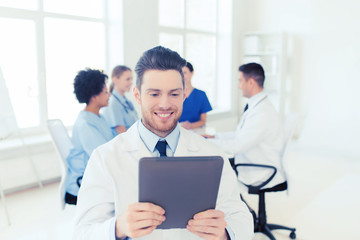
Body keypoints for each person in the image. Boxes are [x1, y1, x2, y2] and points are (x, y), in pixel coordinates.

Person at [73, 46, 254, 240]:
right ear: (137, 95)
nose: (165, 104)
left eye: (174, 94)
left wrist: (225, 234)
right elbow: (83, 233)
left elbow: (241, 217)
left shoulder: (212, 153)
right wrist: (118, 227)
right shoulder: (105, 157)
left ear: (184, 95)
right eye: (154, 94)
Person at [203, 63, 285, 189]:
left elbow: (237, 146)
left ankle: (235, 207)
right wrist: (214, 137)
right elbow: (239, 134)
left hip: (259, 170)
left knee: (211, 173)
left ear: (251, 83)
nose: (239, 86)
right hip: (252, 161)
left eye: (240, 81)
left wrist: (208, 142)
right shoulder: (257, 106)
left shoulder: (262, 113)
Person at [64, 68, 116, 205]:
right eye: (105, 92)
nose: (109, 95)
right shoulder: (85, 123)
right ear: (94, 96)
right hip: (81, 185)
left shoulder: (98, 117)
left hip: (97, 176)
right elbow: (102, 156)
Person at [101, 65, 138, 134]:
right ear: (115, 80)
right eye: (128, 79)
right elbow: (121, 133)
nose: (131, 82)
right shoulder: (112, 103)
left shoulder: (127, 102)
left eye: (131, 79)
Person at [179, 62, 212, 130]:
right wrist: (179, 126)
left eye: (185, 73)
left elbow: (203, 121)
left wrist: (190, 125)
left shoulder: (201, 95)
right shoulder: (174, 95)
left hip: (195, 131)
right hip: (176, 132)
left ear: (192, 73)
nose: (182, 76)